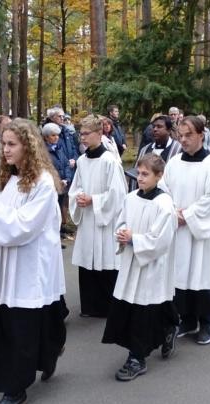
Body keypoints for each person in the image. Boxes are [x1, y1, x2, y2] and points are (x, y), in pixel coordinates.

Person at [0, 118, 68, 404]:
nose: (5, 149)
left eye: (12, 144)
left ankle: (15, 388)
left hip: (28, 265)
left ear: (28, 146)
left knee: (21, 327)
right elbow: (1, 223)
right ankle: (48, 354)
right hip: (5, 265)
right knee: (10, 323)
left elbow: (25, 226)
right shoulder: (9, 180)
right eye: (3, 143)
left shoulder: (42, 183)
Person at [102, 154, 179, 381]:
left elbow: (160, 239)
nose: (140, 178)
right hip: (131, 260)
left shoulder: (164, 204)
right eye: (139, 173)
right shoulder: (131, 197)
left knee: (143, 310)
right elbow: (122, 221)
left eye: (146, 174)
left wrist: (135, 238)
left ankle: (137, 357)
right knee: (134, 305)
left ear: (159, 176)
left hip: (152, 264)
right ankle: (169, 327)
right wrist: (123, 232)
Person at [162, 116, 210, 345]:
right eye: (180, 135)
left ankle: (208, 322)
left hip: (201, 232)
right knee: (181, 277)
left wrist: (186, 216)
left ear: (202, 134)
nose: (184, 140)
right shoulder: (173, 163)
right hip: (179, 230)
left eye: (189, 134)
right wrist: (172, 213)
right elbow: (163, 192)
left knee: (201, 276)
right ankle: (187, 320)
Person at [69, 114, 128, 318]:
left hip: (104, 219)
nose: (82, 138)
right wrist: (78, 197)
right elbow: (74, 188)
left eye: (86, 134)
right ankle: (90, 306)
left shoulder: (109, 161)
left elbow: (118, 193)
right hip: (87, 219)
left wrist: (94, 199)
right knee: (88, 260)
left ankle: (108, 306)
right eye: (80, 134)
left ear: (100, 133)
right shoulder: (82, 161)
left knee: (106, 260)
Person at [128, 116, 183, 191]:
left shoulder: (178, 149)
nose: (155, 129)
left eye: (159, 127)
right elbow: (135, 174)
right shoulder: (145, 150)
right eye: (154, 126)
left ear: (169, 130)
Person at [41, 122, 75, 240]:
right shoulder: (43, 151)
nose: (56, 138)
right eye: (53, 135)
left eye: (57, 135)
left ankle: (60, 230)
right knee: (51, 210)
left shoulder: (59, 147)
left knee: (60, 207)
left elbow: (65, 164)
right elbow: (47, 168)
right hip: (52, 185)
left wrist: (67, 178)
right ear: (46, 137)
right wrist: (56, 181)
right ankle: (54, 234)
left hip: (62, 184)